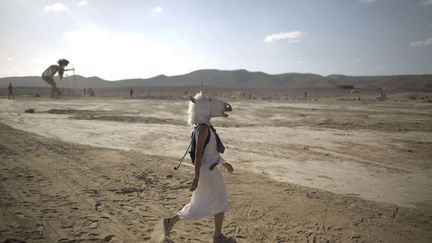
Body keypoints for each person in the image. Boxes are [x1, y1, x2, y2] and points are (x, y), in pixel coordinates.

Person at [163, 92, 236, 243]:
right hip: (208, 172)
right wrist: (196, 177)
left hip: (209, 170)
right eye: (209, 102)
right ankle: (218, 237)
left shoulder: (204, 128)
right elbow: (199, 155)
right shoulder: (203, 129)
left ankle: (170, 222)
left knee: (200, 203)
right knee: (219, 202)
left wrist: (224, 163)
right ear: (202, 108)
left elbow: (210, 153)